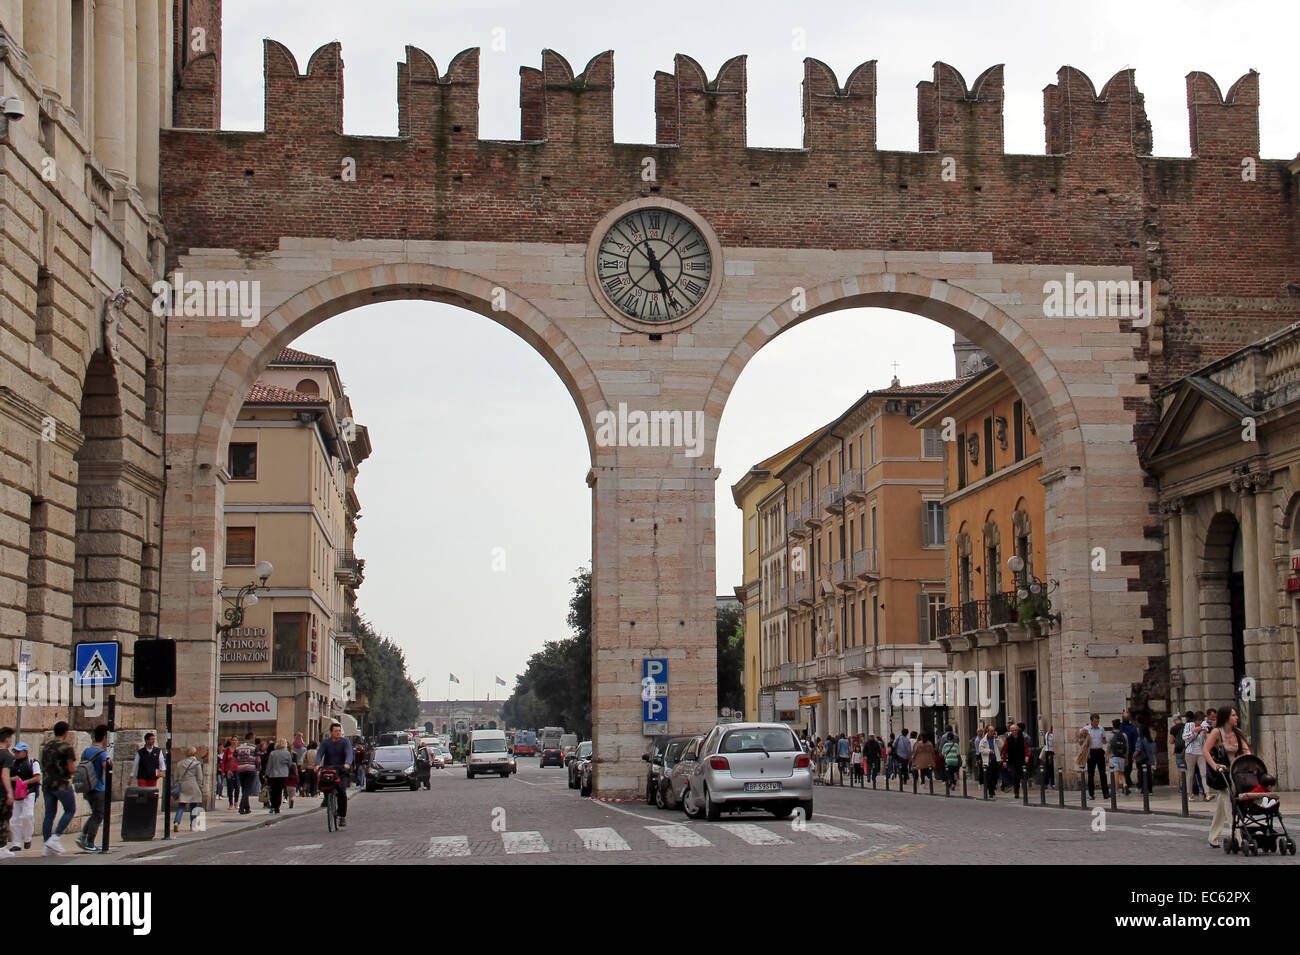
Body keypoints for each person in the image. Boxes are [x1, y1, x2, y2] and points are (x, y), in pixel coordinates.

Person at [1204, 705, 1251, 849]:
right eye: (1233, 715)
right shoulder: (1217, 732)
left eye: (1236, 715)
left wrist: (1250, 763)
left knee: (1221, 806)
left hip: (1236, 772)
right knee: (1230, 804)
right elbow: (1205, 751)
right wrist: (1215, 766)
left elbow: (1246, 750)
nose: (1236, 718)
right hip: (1223, 773)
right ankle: (1238, 836)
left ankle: (1213, 837)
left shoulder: (1238, 733)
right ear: (1226, 718)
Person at [39, 721, 77, 856]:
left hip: (47, 784)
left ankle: (46, 844)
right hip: (61, 784)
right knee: (70, 810)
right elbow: (71, 768)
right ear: (66, 732)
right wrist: (71, 774)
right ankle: (55, 838)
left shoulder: (46, 747)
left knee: (49, 814)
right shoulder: (67, 747)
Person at [78, 724, 110, 853]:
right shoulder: (102, 753)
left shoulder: (86, 751)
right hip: (99, 788)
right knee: (98, 816)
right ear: (104, 737)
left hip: (87, 788)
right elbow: (105, 768)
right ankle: (90, 842)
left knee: (94, 814)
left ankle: (83, 836)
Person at [317, 723, 353, 827]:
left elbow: (349, 752)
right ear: (331, 732)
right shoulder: (326, 742)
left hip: (341, 769)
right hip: (329, 769)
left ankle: (342, 816)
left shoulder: (345, 742)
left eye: (339, 731)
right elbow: (320, 753)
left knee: (342, 791)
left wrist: (347, 763)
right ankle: (327, 799)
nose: (338, 733)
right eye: (336, 731)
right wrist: (316, 764)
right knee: (324, 784)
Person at [9, 741, 39, 852]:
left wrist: (23, 783)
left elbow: (37, 777)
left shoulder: (33, 762)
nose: (16, 754)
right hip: (16, 794)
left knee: (28, 816)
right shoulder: (12, 764)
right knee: (14, 819)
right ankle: (16, 843)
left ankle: (27, 838)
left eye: (18, 751)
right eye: (15, 752)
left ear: (25, 752)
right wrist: (13, 780)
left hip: (29, 793)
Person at [173, 746, 206, 832]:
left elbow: (176, 776)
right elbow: (199, 777)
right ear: (194, 753)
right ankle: (192, 824)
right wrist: (200, 787)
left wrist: (177, 783)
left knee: (181, 805)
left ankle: (177, 822)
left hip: (183, 785)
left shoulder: (180, 763)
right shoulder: (196, 763)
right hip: (193, 785)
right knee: (193, 806)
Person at [1081, 713, 1109, 800]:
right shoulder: (1086, 729)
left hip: (1099, 751)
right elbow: (1080, 740)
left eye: (1098, 721)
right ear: (1091, 721)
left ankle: (1106, 793)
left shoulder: (1101, 728)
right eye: (1095, 721)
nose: (1097, 723)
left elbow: (1104, 740)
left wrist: (1104, 740)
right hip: (1091, 752)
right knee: (1091, 773)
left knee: (1102, 773)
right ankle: (1091, 794)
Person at [265, 739, 292, 813]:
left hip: (273, 774)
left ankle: (273, 805)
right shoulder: (287, 753)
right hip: (283, 774)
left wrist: (267, 774)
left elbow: (269, 765)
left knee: (273, 791)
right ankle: (277, 807)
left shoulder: (273, 753)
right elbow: (290, 764)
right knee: (280, 791)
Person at [1003, 722, 1030, 797]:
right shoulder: (1008, 739)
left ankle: (1025, 791)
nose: (1014, 732)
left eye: (1015, 730)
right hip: (1013, 761)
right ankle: (1016, 792)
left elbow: (1026, 748)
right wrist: (1004, 761)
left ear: (1018, 730)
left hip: (1021, 760)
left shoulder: (1022, 738)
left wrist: (1027, 756)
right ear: (1011, 731)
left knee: (1023, 776)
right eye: (1013, 730)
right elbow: (1004, 750)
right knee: (1015, 776)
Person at [236, 732, 259, 815]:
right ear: (251, 738)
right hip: (250, 769)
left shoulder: (238, 747)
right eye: (254, 738)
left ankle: (247, 807)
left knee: (244, 789)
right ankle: (241, 807)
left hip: (241, 769)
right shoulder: (254, 747)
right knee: (247, 790)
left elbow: (234, 758)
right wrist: (258, 768)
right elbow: (258, 759)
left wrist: (231, 770)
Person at [0, 728, 14, 856]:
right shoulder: (7, 756)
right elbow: (5, 775)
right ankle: (2, 848)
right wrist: (9, 792)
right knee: (4, 819)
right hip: (2, 793)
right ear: (7, 739)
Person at [1107, 718, 1129, 798]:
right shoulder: (1124, 735)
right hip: (1122, 756)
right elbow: (1127, 747)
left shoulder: (1110, 735)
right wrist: (1126, 758)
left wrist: (1106, 757)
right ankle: (1124, 784)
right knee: (1121, 773)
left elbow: (1108, 747)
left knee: (1116, 773)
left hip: (1114, 756)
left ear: (1113, 725)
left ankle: (1116, 791)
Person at [1119, 712, 1139, 791]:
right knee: (1128, 767)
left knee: (1124, 768)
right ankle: (1127, 782)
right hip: (1130, 751)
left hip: (1122, 751)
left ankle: (1126, 782)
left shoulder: (1120, 728)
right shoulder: (1133, 728)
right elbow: (1135, 740)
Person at [978, 726, 999, 797]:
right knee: (989, 777)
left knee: (996, 776)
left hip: (995, 760)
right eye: (991, 731)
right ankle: (991, 791)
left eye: (994, 731)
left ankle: (992, 787)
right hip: (988, 761)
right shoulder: (983, 740)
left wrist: (997, 738)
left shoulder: (996, 739)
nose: (993, 733)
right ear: (988, 731)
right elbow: (980, 750)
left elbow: (1001, 746)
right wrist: (988, 751)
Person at [219, 739, 239, 807]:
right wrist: (223, 771)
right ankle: (230, 803)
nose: (234, 741)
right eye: (233, 740)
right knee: (230, 787)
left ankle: (236, 801)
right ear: (231, 741)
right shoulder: (227, 750)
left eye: (236, 740)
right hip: (229, 770)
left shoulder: (239, 750)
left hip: (237, 770)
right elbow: (224, 761)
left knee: (237, 786)